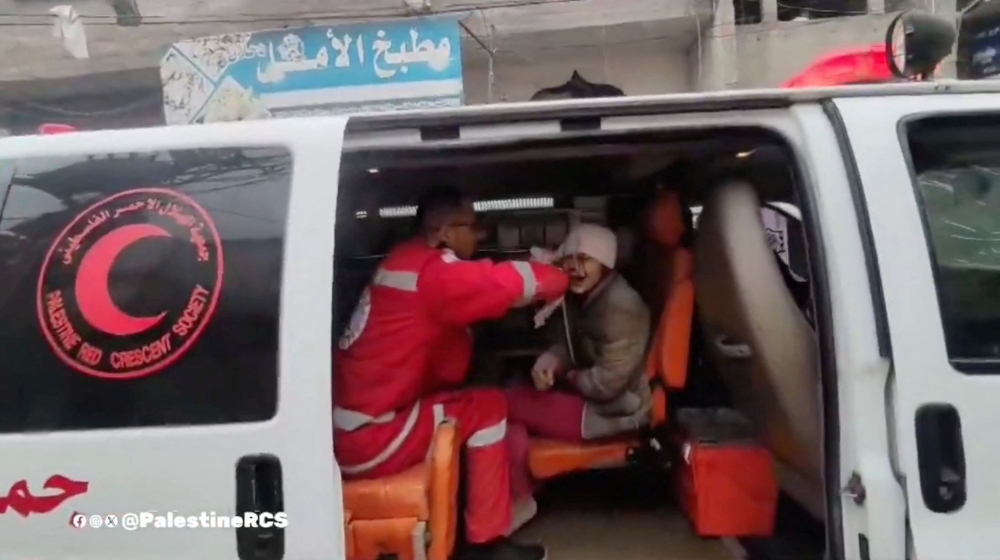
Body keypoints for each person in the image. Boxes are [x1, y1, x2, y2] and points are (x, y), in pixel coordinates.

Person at [333, 186, 569, 560]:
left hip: (353, 429)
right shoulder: (435, 275)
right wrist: (555, 272)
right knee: (487, 407)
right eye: (472, 226)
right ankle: (486, 544)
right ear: (445, 231)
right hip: (374, 437)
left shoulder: (403, 258)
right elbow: (512, 284)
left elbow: (449, 367)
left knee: (464, 400)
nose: (480, 235)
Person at [506, 224, 653, 443]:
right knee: (511, 396)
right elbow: (574, 343)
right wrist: (553, 361)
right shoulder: (584, 293)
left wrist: (567, 376)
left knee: (506, 404)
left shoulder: (621, 308)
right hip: (591, 397)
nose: (574, 267)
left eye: (585, 259)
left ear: (604, 263)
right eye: (569, 259)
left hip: (614, 412)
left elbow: (606, 385)